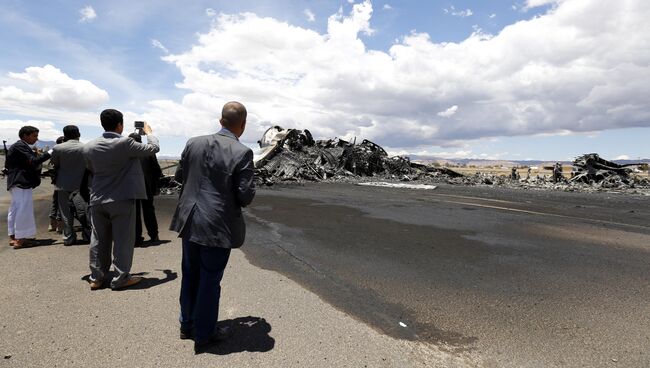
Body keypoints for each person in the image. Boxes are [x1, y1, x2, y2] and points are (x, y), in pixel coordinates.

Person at [170, 101, 255, 354]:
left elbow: (178, 176)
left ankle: (187, 324)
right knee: (210, 280)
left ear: (220, 121)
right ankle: (205, 333)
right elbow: (245, 196)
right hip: (217, 225)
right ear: (243, 125)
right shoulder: (242, 153)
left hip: (190, 220)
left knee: (190, 274)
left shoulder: (193, 142)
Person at [83, 109, 160, 290]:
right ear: (120, 125)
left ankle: (96, 277)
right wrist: (150, 133)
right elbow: (153, 149)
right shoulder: (125, 143)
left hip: (98, 197)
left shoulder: (89, 146)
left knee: (98, 239)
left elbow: (91, 168)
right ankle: (120, 277)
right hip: (122, 198)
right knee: (123, 239)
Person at [6, 126, 52, 248]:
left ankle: (14, 237)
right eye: (34, 136)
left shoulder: (20, 146)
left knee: (15, 209)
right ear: (25, 136)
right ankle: (20, 240)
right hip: (21, 182)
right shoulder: (20, 146)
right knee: (23, 209)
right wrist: (50, 153)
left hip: (17, 182)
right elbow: (33, 161)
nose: (36, 139)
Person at [50, 126, 86, 245]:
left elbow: (55, 163)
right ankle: (87, 234)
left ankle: (69, 237)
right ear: (79, 134)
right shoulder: (85, 147)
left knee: (65, 212)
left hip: (63, 184)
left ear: (64, 135)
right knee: (84, 210)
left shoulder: (58, 148)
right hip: (82, 185)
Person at [128, 133, 163, 246]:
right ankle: (154, 235)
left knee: (135, 213)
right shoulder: (148, 153)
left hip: (133, 186)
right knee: (149, 211)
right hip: (147, 186)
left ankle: (136, 238)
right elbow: (157, 170)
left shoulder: (128, 153)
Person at [48, 136, 66, 233]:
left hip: (57, 181)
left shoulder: (55, 152)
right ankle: (59, 224)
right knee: (61, 202)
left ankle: (52, 224)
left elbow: (51, 167)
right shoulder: (62, 152)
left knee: (56, 202)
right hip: (62, 181)